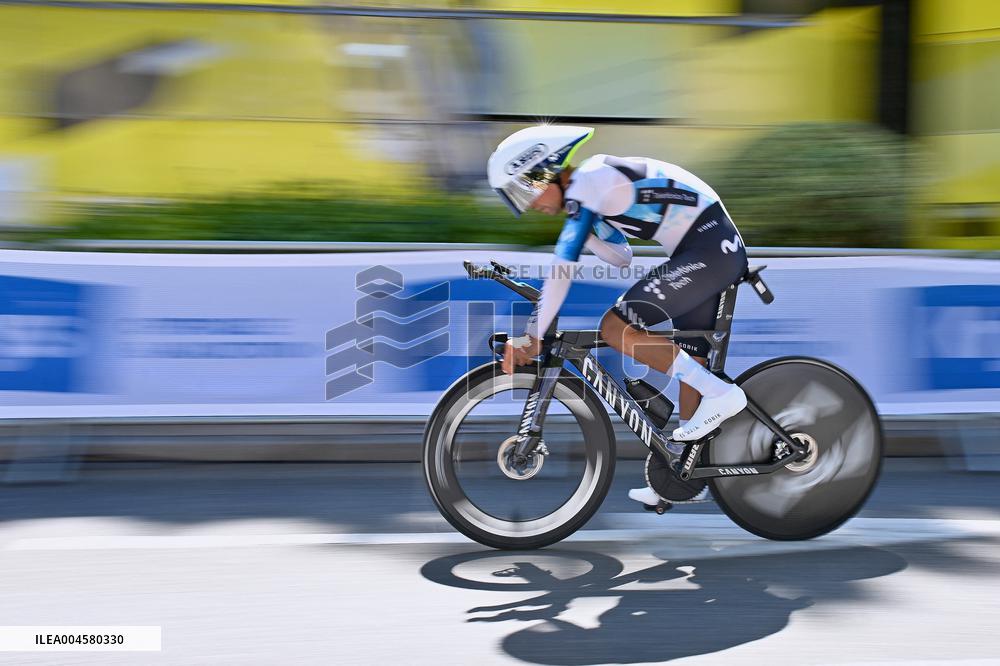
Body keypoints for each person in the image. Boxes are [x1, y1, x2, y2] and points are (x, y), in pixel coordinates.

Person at [487, 125, 750, 507]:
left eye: (523, 191)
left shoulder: (590, 180)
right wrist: (587, 231)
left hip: (709, 250)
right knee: (692, 366)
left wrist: (533, 336)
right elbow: (621, 256)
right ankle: (680, 479)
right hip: (703, 249)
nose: (527, 205)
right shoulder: (590, 193)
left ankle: (724, 395)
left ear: (545, 171)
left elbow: (561, 271)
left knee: (615, 327)